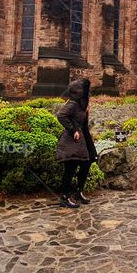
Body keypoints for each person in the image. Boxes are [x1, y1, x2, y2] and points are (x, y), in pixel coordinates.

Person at [54, 78, 97, 208]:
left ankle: (78, 192)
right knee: (70, 168)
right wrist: (73, 130)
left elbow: (82, 122)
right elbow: (61, 115)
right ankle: (64, 197)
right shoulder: (72, 103)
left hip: (83, 138)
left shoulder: (82, 104)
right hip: (72, 140)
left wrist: (86, 113)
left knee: (87, 163)